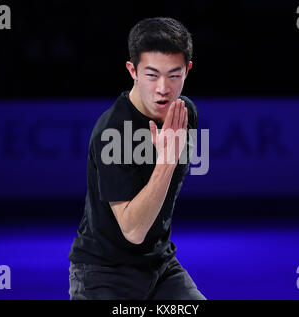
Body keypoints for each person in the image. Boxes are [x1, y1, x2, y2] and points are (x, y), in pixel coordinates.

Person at [68, 17, 206, 300]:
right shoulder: (113, 130)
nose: (163, 89)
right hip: (104, 274)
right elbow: (133, 230)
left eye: (174, 75)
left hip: (160, 267)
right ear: (133, 70)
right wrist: (165, 161)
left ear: (188, 71)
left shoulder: (185, 113)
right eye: (152, 75)